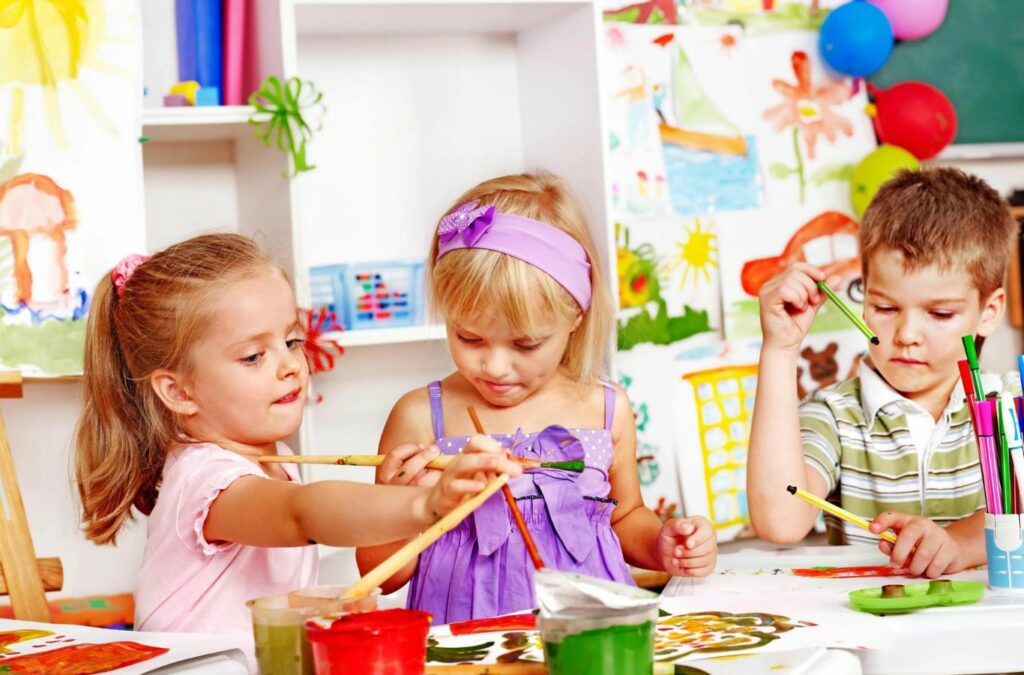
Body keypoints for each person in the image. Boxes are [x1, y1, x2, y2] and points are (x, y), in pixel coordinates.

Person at [74, 233, 521, 664]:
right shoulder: (204, 477)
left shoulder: (275, 460)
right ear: (179, 391)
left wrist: (393, 500)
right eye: (253, 356)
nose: (290, 366)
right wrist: (424, 503)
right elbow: (303, 513)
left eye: (291, 342)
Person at [356, 173, 717, 624]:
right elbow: (378, 574)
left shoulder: (605, 408)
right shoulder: (420, 418)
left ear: (575, 318)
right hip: (469, 646)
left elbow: (625, 518)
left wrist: (664, 545)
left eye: (525, 344)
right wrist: (404, 507)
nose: (494, 367)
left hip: (590, 638)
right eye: (469, 337)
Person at [747, 167, 1018, 578]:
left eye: (940, 313)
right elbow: (780, 522)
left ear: (989, 312)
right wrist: (780, 351)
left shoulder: (1009, 410)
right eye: (886, 308)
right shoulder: (833, 415)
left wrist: (960, 545)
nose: (907, 335)